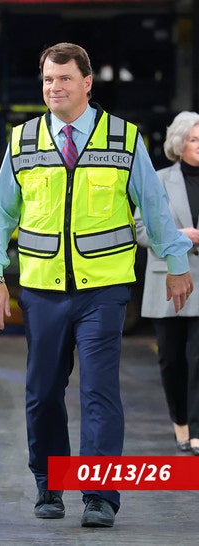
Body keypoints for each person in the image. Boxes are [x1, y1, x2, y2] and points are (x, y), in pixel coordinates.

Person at [0, 42, 193, 528]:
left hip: (104, 290)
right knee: (43, 391)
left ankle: (100, 494)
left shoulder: (123, 138)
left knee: (99, 392)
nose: (54, 88)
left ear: (87, 83)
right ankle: (49, 484)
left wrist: (178, 263)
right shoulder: (24, 141)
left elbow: (154, 209)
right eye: (48, 80)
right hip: (42, 289)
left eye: (64, 79)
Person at [134, 111, 199, 456]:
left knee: (198, 358)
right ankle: (181, 424)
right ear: (178, 143)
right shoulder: (158, 180)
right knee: (172, 359)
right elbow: (142, 230)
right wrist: (180, 236)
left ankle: (198, 427)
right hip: (167, 281)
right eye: (194, 139)